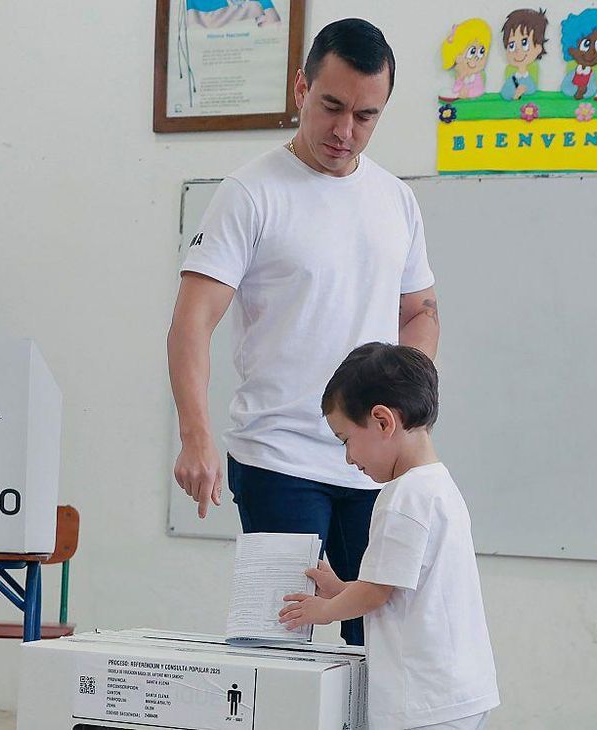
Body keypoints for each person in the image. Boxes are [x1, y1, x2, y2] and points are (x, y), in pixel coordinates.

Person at [167, 18, 439, 647]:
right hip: (277, 458)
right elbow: (192, 322)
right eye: (332, 106)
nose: (346, 132)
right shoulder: (250, 194)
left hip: (372, 466)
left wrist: (409, 420)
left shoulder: (396, 200)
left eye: (366, 116)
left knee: (376, 645)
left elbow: (420, 312)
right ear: (300, 88)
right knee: (279, 642)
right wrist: (196, 437)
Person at [279, 343, 499, 730]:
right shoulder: (438, 486)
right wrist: (343, 587)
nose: (348, 458)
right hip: (458, 690)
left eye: (345, 438)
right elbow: (398, 587)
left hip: (423, 698)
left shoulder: (401, 496)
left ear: (383, 421)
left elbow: (377, 592)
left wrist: (324, 611)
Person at [499, 8, 548, 101]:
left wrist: (523, 89)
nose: (518, 51)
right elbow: (505, 92)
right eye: (512, 45)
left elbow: (532, 88)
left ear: (538, 48)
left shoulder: (531, 72)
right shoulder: (511, 75)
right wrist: (514, 93)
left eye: (524, 43)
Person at [442, 18, 492, 99]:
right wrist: (461, 79)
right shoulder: (460, 74)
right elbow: (456, 88)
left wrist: (467, 92)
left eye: (481, 52)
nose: (476, 58)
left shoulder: (478, 76)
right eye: (472, 52)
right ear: (458, 57)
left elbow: (479, 90)